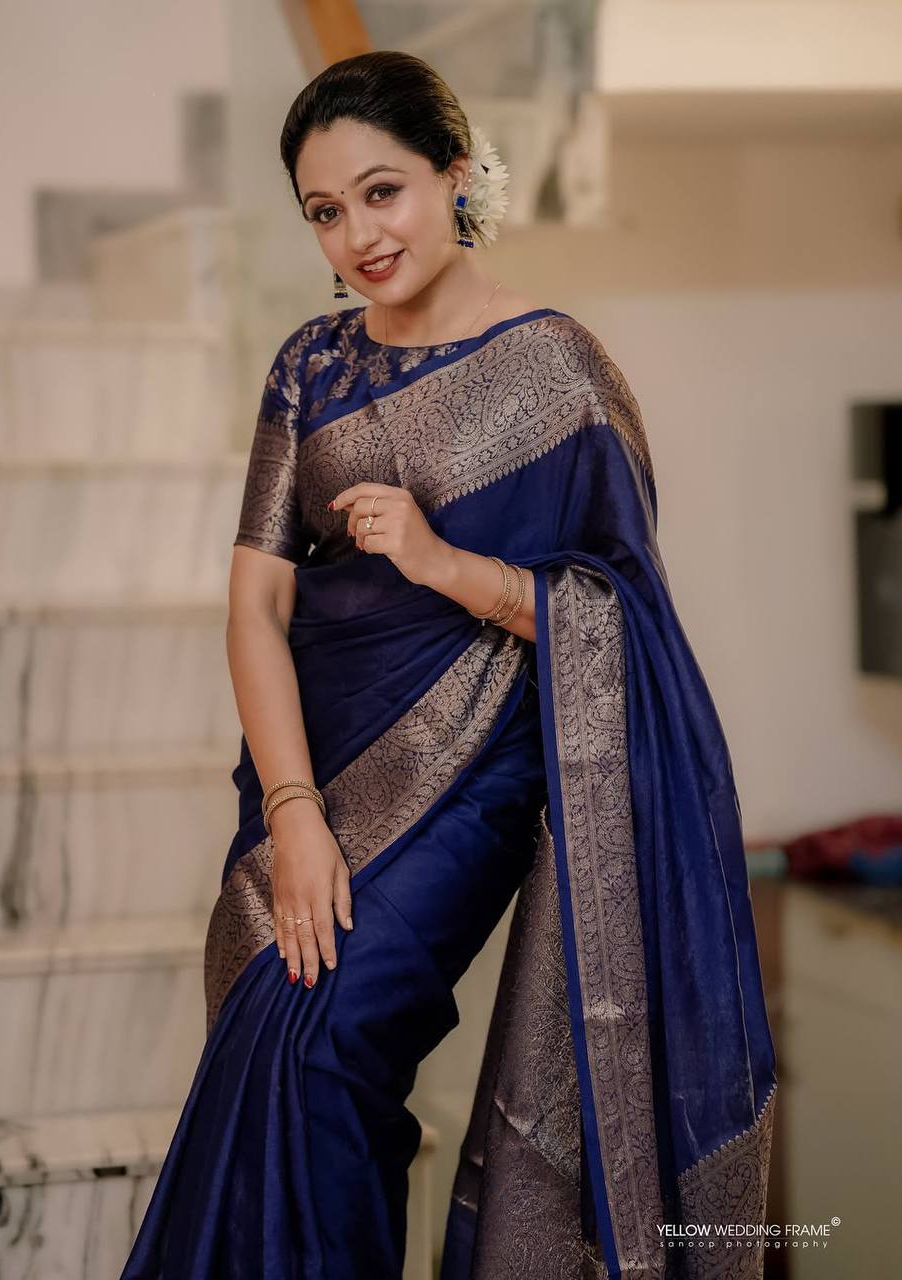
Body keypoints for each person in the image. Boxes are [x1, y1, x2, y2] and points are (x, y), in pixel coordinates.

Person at [120, 50, 776, 1280]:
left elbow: (623, 620)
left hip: (471, 779)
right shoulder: (309, 366)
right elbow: (256, 603)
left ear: (454, 176)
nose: (359, 235)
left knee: (325, 1045)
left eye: (384, 192)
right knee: (272, 1041)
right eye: (326, 211)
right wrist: (293, 812)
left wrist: (441, 562)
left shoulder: (558, 370)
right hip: (307, 768)